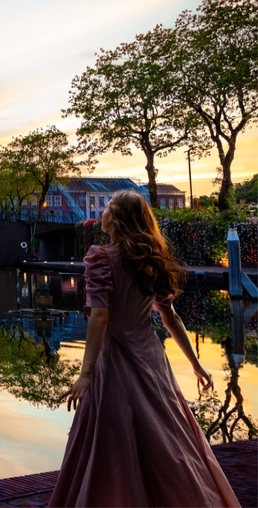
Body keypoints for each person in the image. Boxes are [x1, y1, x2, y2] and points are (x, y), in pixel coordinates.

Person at [50, 190, 238, 507]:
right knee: (164, 434)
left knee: (112, 438)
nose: (103, 212)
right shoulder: (151, 260)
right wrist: (195, 363)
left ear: (115, 219)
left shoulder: (101, 258)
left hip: (115, 359)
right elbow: (170, 315)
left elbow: (100, 317)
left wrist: (86, 373)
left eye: (108, 208)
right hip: (151, 358)